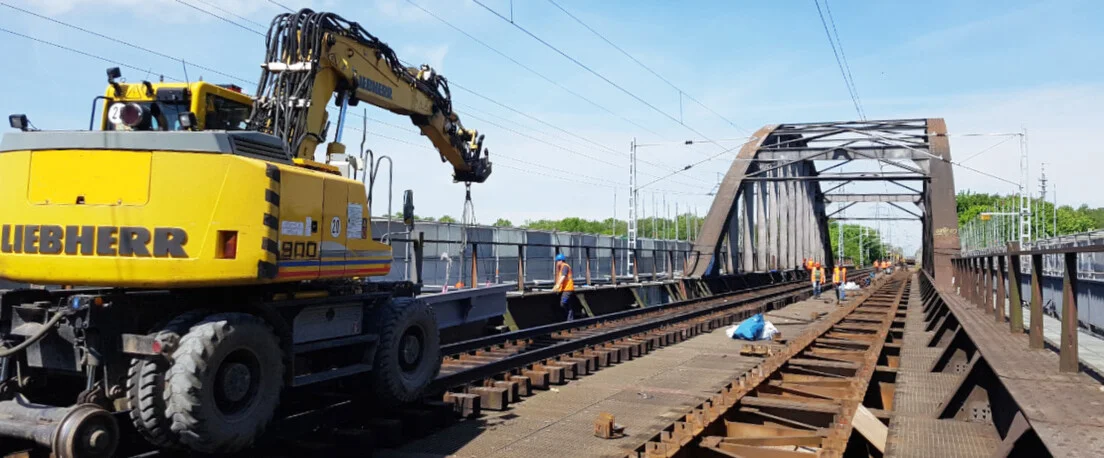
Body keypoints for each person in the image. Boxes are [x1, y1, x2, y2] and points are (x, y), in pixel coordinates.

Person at [553, 253, 575, 321]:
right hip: (565, 288)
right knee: (568, 304)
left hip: (568, 289)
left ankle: (570, 318)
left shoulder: (565, 266)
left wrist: (558, 285)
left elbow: (563, 276)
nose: (556, 263)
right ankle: (570, 320)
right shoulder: (562, 267)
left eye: (557, 261)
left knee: (563, 303)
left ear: (561, 261)